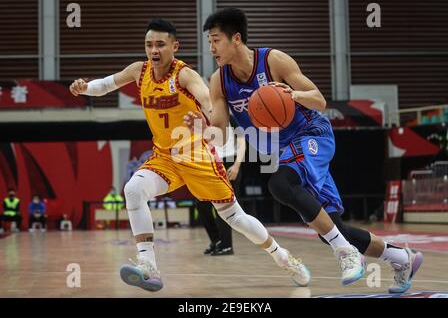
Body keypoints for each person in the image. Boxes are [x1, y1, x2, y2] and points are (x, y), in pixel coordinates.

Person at [190, 7, 423, 293]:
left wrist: (292, 95)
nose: (211, 47)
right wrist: (202, 127)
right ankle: (402, 258)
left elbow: (320, 100)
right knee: (332, 228)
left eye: (216, 40)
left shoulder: (273, 60)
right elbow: (221, 130)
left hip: (312, 134)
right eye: (210, 41)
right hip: (286, 151)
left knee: (280, 184)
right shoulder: (219, 81)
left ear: (236, 38)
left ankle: (346, 253)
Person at [69, 18, 310, 292]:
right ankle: (149, 268)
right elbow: (106, 85)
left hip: (198, 156)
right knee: (134, 190)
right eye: (149, 44)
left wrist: (207, 118)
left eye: (160, 44)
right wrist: (84, 88)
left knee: (236, 219)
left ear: (175, 46)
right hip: (165, 157)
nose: (153, 50)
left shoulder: (184, 75)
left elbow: (209, 102)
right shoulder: (139, 71)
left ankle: (283, 257)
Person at [198, 125, 246, 256]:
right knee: (201, 204)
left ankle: (226, 245)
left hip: (229, 162)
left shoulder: (232, 118)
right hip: (208, 163)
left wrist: (236, 165)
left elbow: (242, 144)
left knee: (224, 203)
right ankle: (216, 241)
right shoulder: (200, 117)